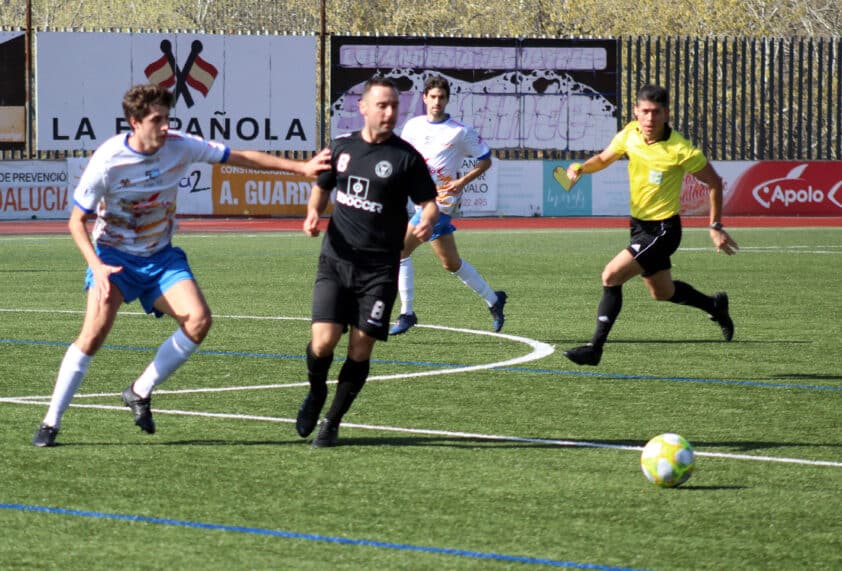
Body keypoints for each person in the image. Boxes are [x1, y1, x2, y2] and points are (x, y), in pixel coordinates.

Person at [32, 83, 331, 447]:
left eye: (167, 119)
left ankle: (140, 390)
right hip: (114, 258)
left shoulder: (180, 145)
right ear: (134, 122)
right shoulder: (108, 160)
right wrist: (95, 266)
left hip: (160, 257)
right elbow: (75, 222)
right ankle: (51, 421)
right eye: (156, 120)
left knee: (199, 320)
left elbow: (241, 158)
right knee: (93, 335)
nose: (164, 127)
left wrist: (301, 168)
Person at [297, 77, 439, 447]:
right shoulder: (341, 148)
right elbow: (322, 186)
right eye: (382, 105)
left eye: (394, 105)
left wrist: (427, 219)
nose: (390, 112)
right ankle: (315, 392)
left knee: (360, 349)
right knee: (323, 342)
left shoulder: (406, 158)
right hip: (336, 261)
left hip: (378, 272)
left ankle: (332, 421)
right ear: (363, 108)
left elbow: (429, 202)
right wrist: (313, 212)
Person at [563, 84, 738, 367]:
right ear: (636, 111)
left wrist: (715, 225)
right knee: (662, 292)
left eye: (656, 112)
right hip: (639, 227)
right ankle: (714, 305)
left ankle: (594, 348)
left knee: (610, 276)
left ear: (667, 113)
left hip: (664, 230)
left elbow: (715, 183)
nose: (649, 118)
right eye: (644, 111)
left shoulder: (681, 149)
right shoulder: (630, 133)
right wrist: (581, 168)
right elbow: (605, 158)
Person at [388, 75, 507, 336]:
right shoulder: (413, 127)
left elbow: (485, 160)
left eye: (441, 98)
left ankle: (407, 313)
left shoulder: (459, 131)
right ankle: (494, 300)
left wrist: (462, 182)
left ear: (447, 100)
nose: (437, 102)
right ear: (425, 98)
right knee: (451, 264)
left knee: (400, 252)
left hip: (441, 202)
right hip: (421, 201)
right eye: (433, 97)